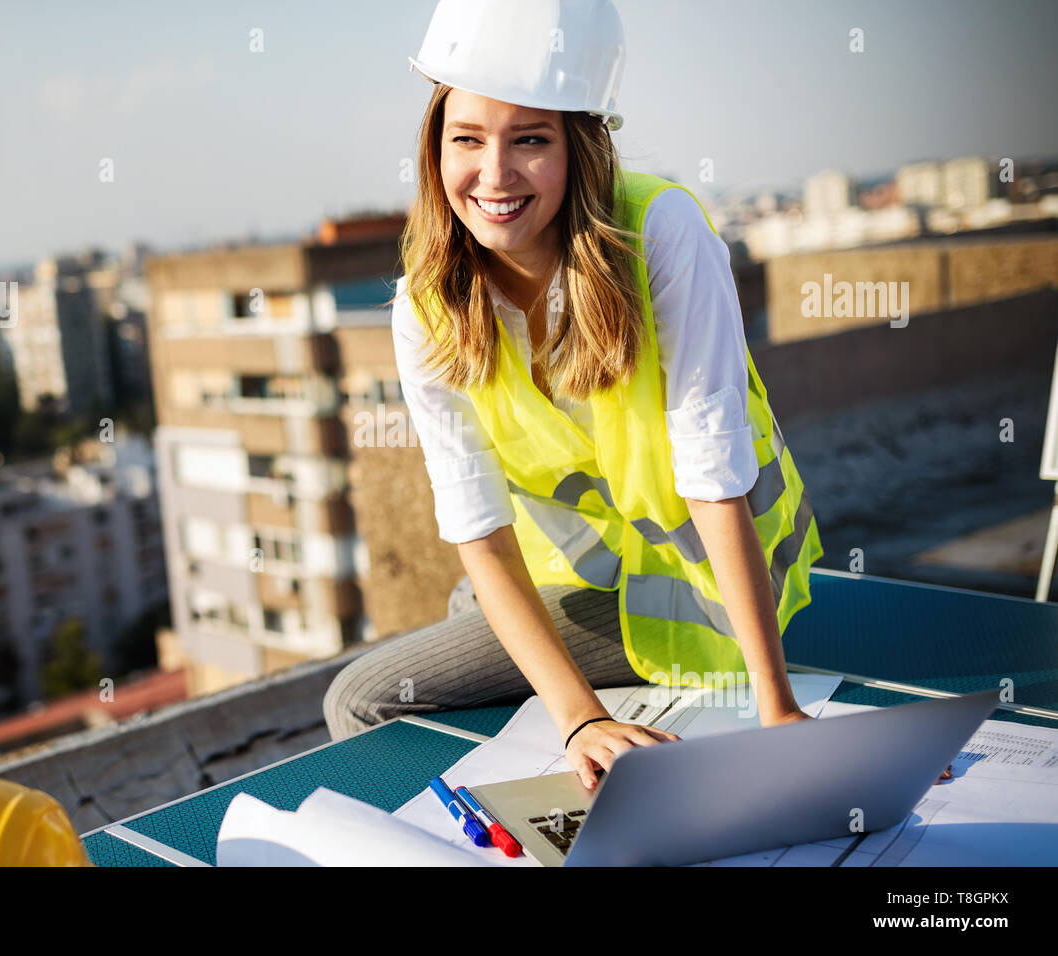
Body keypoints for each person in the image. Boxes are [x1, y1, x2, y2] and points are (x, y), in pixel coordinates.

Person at [324, 0, 948, 792]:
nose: (495, 174)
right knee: (465, 602)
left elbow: (714, 476)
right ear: (433, 147)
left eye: (531, 140)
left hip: (695, 586)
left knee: (363, 696)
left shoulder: (662, 231)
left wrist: (777, 709)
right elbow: (479, 534)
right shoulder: (426, 306)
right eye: (467, 139)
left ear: (581, 146)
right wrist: (580, 717)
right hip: (578, 580)